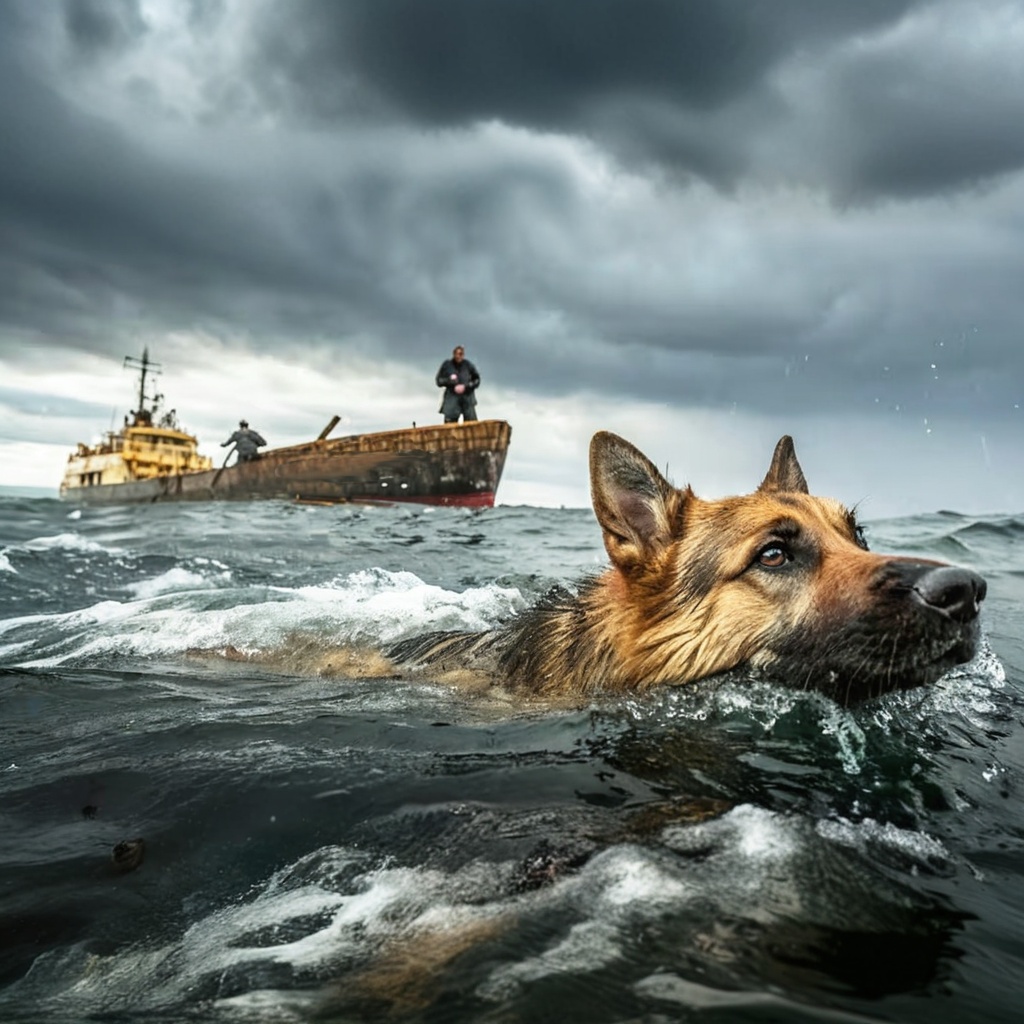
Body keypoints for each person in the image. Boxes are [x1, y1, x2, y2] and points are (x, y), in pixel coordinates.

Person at [435, 346, 481, 423]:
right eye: (457, 354)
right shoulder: (447, 365)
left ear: (463, 355)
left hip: (467, 399)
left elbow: (477, 380)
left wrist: (466, 386)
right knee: (450, 426)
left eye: (461, 354)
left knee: (471, 424)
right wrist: (450, 381)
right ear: (453, 354)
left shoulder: (468, 365)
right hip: (452, 400)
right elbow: (439, 381)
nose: (458, 356)